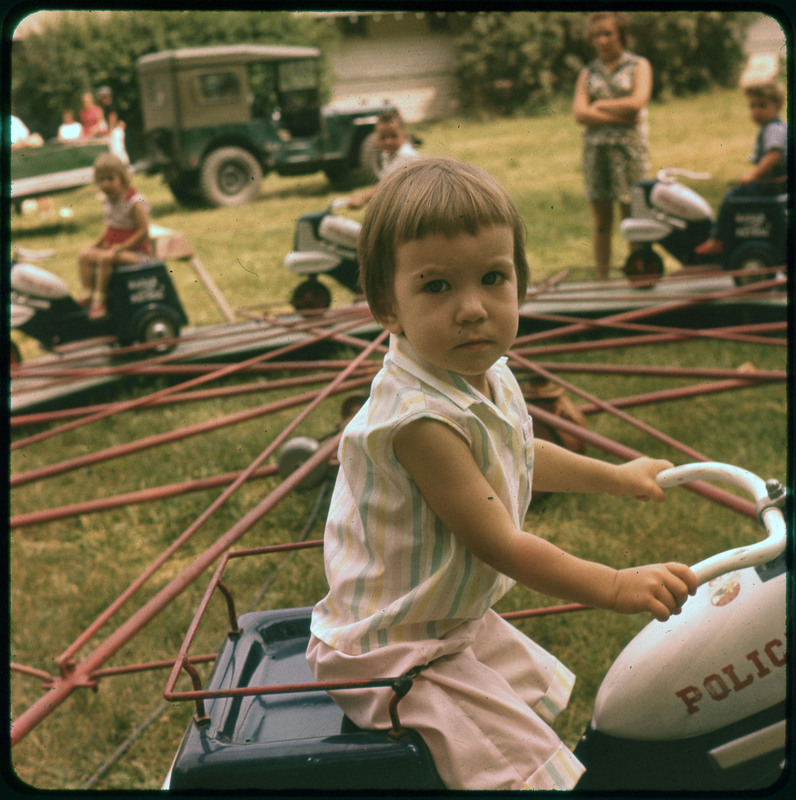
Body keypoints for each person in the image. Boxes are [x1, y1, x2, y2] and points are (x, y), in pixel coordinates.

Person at [306, 157, 697, 790]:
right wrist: (616, 585)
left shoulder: (484, 375)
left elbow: (521, 453)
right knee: (531, 775)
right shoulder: (418, 422)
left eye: (493, 278)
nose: (472, 309)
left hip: (447, 621)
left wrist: (616, 475)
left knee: (536, 718)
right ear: (388, 307)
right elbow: (502, 544)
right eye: (436, 287)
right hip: (396, 653)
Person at [572, 11, 652, 280]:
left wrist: (600, 104)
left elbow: (637, 103)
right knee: (602, 219)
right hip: (597, 152)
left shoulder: (638, 65)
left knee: (632, 217)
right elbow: (580, 113)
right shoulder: (588, 72)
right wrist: (622, 113)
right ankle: (603, 280)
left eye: (608, 33)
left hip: (629, 151)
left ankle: (638, 275)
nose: (602, 40)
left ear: (620, 34)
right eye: (596, 35)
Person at [696, 80, 788, 256]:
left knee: (731, 198)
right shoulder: (777, 127)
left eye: (762, 106)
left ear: (778, 105)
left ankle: (717, 239)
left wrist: (752, 176)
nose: (756, 112)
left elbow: (773, 155)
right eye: (752, 106)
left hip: (770, 185)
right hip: (774, 184)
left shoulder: (773, 130)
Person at [77, 153, 151, 318]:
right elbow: (110, 228)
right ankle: (87, 294)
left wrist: (123, 247)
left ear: (123, 178)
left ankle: (99, 301)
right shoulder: (109, 201)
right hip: (117, 251)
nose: (106, 184)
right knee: (84, 255)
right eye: (101, 180)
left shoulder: (134, 202)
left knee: (106, 257)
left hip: (138, 254)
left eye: (110, 179)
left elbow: (143, 231)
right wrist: (96, 243)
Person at [344, 110, 419, 208]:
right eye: (383, 137)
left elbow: (387, 185)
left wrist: (364, 198)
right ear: (376, 139)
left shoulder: (407, 156)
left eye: (393, 136)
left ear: (405, 136)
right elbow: (384, 181)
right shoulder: (386, 155)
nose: (388, 141)